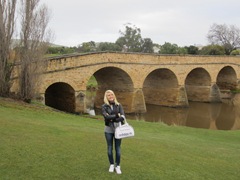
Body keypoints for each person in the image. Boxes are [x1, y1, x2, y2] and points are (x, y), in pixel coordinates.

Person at [102, 90, 126, 174]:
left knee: (118, 148)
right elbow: (106, 117)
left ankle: (118, 166)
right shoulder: (104, 106)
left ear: (114, 95)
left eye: (111, 94)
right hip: (108, 129)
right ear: (106, 97)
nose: (110, 96)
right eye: (108, 95)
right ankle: (111, 164)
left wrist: (112, 117)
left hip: (118, 130)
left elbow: (123, 117)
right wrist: (116, 115)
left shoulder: (119, 105)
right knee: (109, 148)